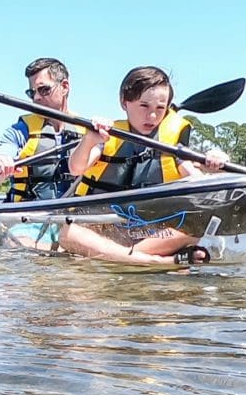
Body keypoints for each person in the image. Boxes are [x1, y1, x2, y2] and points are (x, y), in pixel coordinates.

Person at [50, 66, 229, 266]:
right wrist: (89, 140)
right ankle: (160, 261)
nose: (152, 116)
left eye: (160, 108)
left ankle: (123, 257)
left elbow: (197, 181)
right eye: (144, 106)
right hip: (104, 226)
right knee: (69, 233)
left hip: (149, 231)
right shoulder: (109, 136)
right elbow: (75, 168)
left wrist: (213, 165)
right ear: (124, 102)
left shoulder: (171, 145)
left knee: (197, 225)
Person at [0, 57, 81, 202]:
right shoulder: (20, 131)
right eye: (32, 92)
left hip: (75, 213)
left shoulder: (87, 133)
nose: (36, 98)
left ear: (64, 87)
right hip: (28, 213)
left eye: (44, 90)